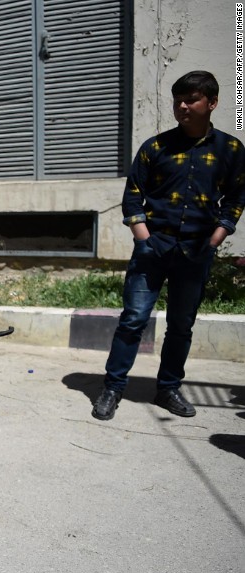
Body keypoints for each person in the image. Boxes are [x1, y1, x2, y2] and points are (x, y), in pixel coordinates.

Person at [92, 70, 244, 421]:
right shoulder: (155, 147)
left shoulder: (230, 150)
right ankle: (113, 387)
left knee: (181, 325)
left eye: (191, 99)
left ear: (212, 103)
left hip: (196, 252)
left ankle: (169, 388)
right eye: (178, 99)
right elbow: (132, 198)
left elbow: (237, 196)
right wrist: (143, 239)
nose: (182, 106)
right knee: (133, 320)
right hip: (153, 249)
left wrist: (218, 235)